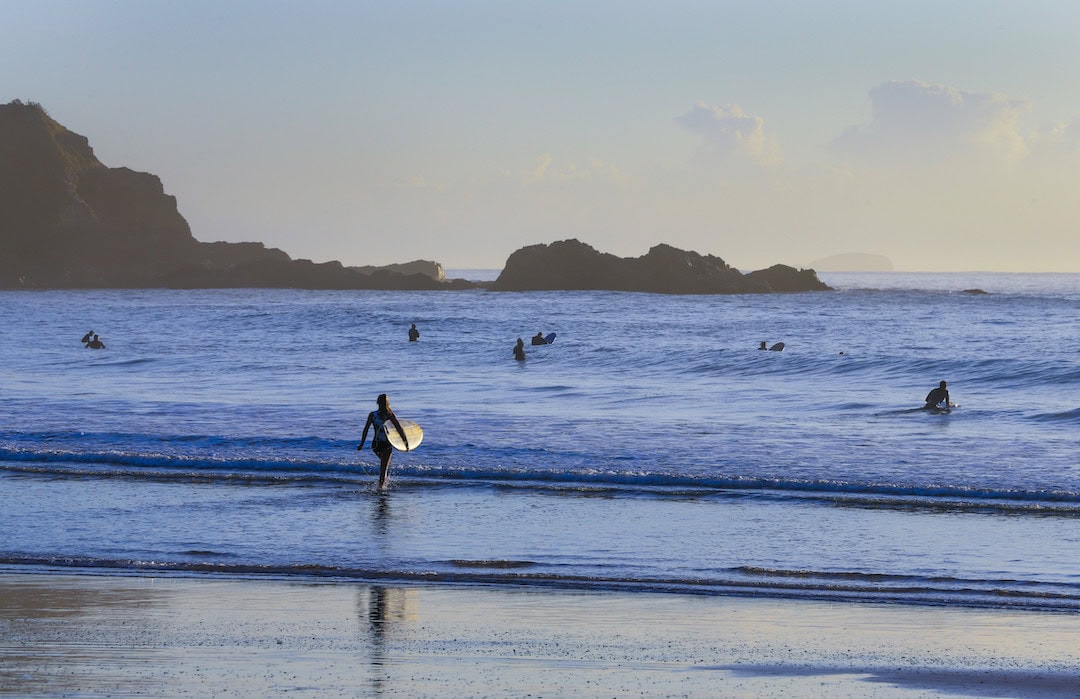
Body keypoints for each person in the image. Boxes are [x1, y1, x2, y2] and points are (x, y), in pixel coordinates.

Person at [357, 393, 409, 491]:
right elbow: (399, 429)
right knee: (384, 467)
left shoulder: (373, 415)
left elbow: (365, 430)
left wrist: (362, 444)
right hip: (386, 445)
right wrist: (405, 443)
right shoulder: (389, 415)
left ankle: (382, 484)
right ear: (387, 403)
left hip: (375, 445)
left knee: (384, 465)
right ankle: (381, 488)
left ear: (377, 402)